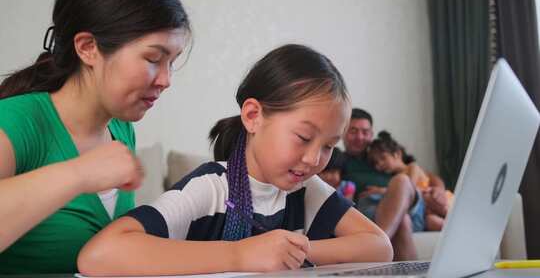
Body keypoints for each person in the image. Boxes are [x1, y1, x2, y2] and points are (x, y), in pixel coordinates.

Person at [77, 44, 393, 276]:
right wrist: (240, 255)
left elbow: (379, 246)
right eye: (303, 138)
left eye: (328, 146)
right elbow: (99, 254)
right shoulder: (210, 187)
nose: (313, 159)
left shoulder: (305, 188)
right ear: (254, 116)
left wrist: (293, 251)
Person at [0, 0, 190, 274]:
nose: (166, 80)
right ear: (88, 47)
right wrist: (80, 173)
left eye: (172, 62)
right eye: (154, 58)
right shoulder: (15, 121)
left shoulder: (121, 130)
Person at [341, 108, 445, 260]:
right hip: (372, 210)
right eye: (353, 131)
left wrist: (438, 189)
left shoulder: (382, 154)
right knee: (402, 221)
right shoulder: (339, 160)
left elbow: (428, 176)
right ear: (343, 131)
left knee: (401, 180)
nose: (359, 137)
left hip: (411, 207)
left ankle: (377, 245)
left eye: (365, 132)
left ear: (371, 134)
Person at [367, 131, 453, 232]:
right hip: (426, 210)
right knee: (431, 222)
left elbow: (409, 189)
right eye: (376, 163)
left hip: (436, 199)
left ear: (397, 154)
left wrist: (382, 191)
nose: (380, 165)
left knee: (443, 210)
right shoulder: (395, 177)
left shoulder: (412, 167)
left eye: (383, 158)